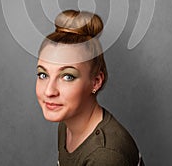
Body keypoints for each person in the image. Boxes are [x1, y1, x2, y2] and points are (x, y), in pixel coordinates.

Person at [35, 9, 144, 166]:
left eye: (68, 76)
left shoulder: (105, 156)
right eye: (43, 75)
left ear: (96, 81)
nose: (49, 91)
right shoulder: (67, 122)